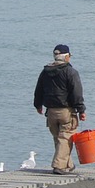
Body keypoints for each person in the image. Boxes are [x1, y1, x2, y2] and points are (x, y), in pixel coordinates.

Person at [33, 43, 86, 174]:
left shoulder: (45, 71)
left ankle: (68, 164)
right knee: (65, 138)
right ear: (66, 57)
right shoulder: (70, 72)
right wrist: (81, 110)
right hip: (66, 111)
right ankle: (59, 166)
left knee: (58, 138)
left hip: (50, 111)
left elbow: (38, 89)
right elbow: (76, 92)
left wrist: (38, 105)